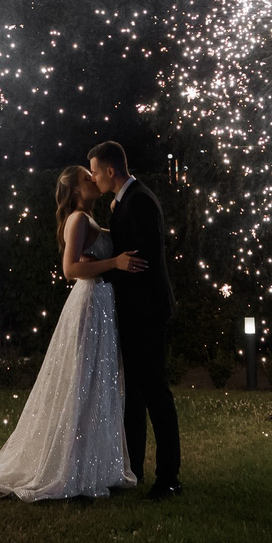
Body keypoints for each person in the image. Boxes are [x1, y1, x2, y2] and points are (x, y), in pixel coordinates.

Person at [0, 164, 137, 501]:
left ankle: (92, 461)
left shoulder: (89, 217)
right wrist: (115, 263)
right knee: (82, 378)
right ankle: (71, 464)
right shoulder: (79, 219)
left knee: (95, 379)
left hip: (100, 302)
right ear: (74, 189)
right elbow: (70, 269)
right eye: (87, 178)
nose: (93, 180)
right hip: (90, 299)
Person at [90, 141, 180, 498]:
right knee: (137, 394)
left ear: (111, 171)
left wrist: (103, 276)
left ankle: (169, 477)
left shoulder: (139, 200)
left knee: (155, 391)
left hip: (146, 311)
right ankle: (135, 470)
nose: (94, 177)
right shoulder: (127, 200)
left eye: (96, 171)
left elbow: (137, 261)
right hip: (136, 311)